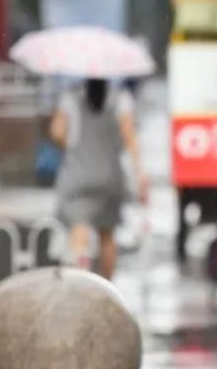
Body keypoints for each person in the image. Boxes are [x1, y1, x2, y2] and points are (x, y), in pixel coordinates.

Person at [51, 79, 148, 280]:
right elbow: (129, 136)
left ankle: (78, 286)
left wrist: (69, 145)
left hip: (78, 174)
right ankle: (107, 288)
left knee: (79, 229)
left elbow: (57, 132)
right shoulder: (120, 99)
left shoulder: (70, 98)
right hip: (110, 176)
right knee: (108, 236)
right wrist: (140, 173)